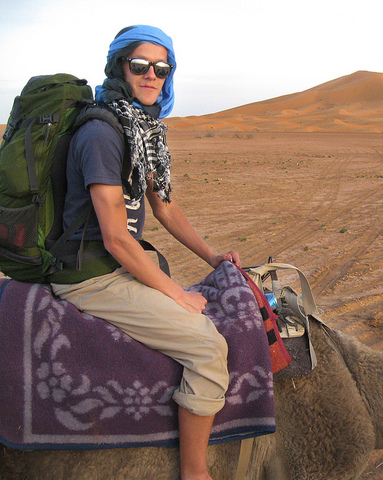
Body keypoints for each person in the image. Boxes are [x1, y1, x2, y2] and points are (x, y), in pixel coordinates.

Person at [49, 25, 237, 480]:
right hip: (91, 273)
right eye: (140, 66)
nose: (152, 75)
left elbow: (164, 206)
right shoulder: (102, 132)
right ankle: (196, 472)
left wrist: (212, 256)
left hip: (119, 263)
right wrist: (177, 294)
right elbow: (115, 237)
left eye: (162, 68)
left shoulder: (139, 129)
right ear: (119, 68)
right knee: (209, 347)